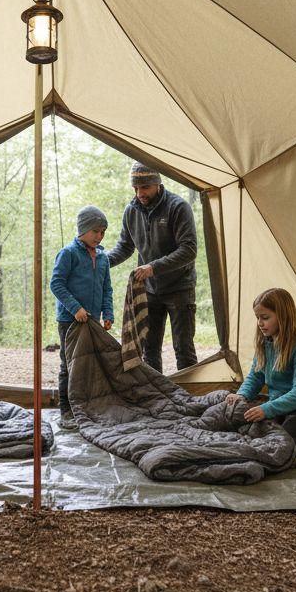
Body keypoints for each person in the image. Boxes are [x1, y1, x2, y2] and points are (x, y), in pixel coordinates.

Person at [106, 160, 198, 373]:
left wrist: (152, 268)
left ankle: (192, 401)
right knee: (149, 349)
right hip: (150, 291)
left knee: (183, 349)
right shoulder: (131, 210)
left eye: (145, 187)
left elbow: (189, 250)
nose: (140, 193)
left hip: (180, 289)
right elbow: (125, 247)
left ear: (157, 183)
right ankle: (156, 399)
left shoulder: (178, 207)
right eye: (136, 188)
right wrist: (101, 263)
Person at [226, 288, 296, 441]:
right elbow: (256, 376)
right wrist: (242, 395)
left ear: (283, 317)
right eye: (257, 317)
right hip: (279, 408)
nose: (260, 323)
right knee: (255, 431)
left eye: (265, 317)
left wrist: (267, 409)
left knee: (281, 437)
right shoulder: (265, 344)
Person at [50, 205, 115, 417]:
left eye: (103, 231)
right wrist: (76, 308)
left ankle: (86, 408)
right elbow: (56, 284)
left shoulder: (103, 257)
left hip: (93, 321)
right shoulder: (68, 253)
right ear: (82, 230)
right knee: (69, 366)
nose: (99, 236)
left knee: (89, 366)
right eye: (95, 231)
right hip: (70, 320)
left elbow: (107, 288)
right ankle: (66, 411)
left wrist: (108, 314)